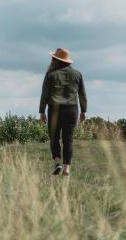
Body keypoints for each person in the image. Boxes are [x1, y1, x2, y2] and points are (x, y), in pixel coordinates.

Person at [39, 48, 87, 176]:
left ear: (55, 60)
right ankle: (67, 169)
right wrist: (83, 111)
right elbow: (82, 94)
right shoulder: (77, 74)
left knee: (54, 138)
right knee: (68, 140)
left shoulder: (51, 74)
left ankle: (57, 161)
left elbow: (45, 94)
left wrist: (42, 112)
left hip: (55, 109)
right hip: (72, 109)